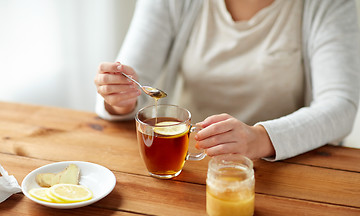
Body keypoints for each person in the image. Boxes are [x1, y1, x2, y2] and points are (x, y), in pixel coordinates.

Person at [94, 0, 360, 161]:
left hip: (282, 167)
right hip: (185, 161)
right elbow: (133, 87)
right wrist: (119, 99)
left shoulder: (329, 4)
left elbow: (340, 106)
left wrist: (258, 139)